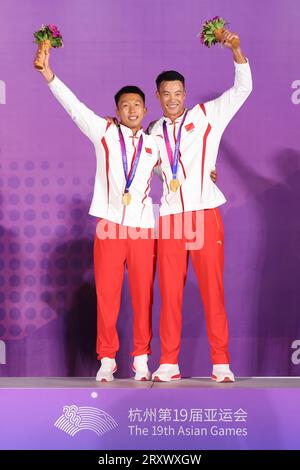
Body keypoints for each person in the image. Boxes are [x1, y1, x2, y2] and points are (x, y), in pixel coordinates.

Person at [35, 49, 160, 382]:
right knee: (107, 295)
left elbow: (183, 171)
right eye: (125, 105)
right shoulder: (104, 134)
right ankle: (107, 358)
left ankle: (141, 358)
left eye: (137, 105)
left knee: (143, 297)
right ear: (117, 112)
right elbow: (74, 107)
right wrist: (49, 75)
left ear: (146, 110)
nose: (132, 109)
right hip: (110, 226)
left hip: (143, 230)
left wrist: (211, 173)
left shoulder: (155, 145)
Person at [150, 29, 252, 382]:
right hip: (171, 220)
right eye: (166, 94)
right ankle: (168, 362)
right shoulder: (151, 132)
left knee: (212, 290)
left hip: (204, 214)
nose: (173, 99)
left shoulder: (207, 116)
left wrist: (235, 50)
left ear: (185, 94)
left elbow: (243, 90)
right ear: (159, 97)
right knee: (170, 293)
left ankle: (221, 363)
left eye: (178, 93)